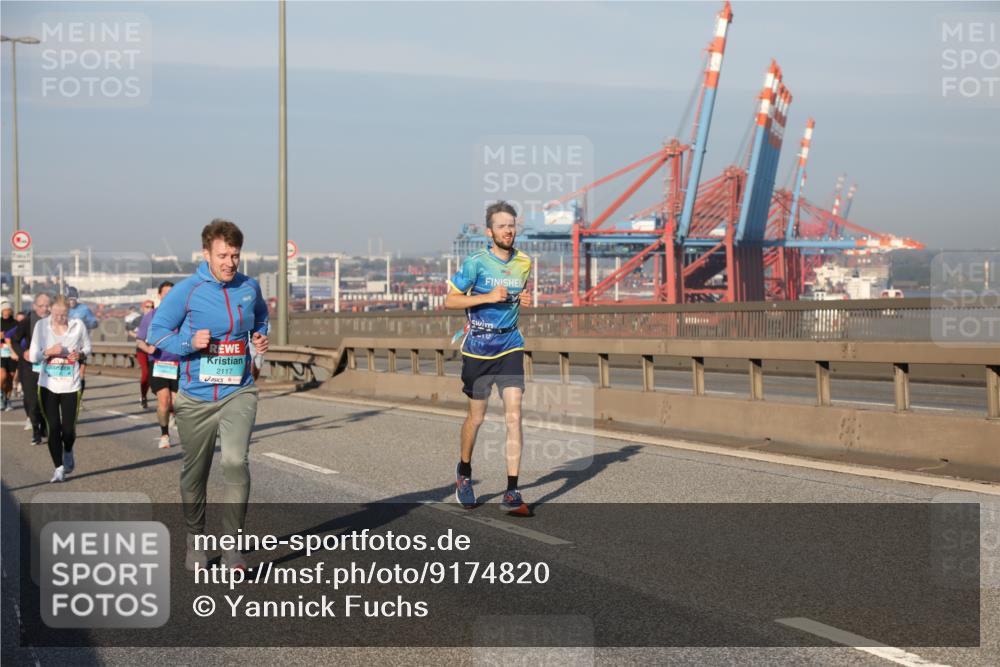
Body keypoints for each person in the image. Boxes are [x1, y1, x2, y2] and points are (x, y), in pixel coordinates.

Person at [148, 219, 268, 571]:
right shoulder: (188, 290)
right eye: (223, 255)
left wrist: (260, 337)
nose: (230, 262)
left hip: (238, 391)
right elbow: (158, 332)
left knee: (235, 462)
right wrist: (188, 343)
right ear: (206, 254)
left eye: (235, 255)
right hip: (196, 396)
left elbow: (260, 318)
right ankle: (195, 540)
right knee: (195, 473)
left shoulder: (250, 287)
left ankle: (232, 550)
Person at [445, 201, 533, 514]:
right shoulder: (476, 262)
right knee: (478, 417)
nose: (508, 230)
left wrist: (522, 298)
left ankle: (512, 490)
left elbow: (514, 295)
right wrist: (486, 297)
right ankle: (464, 473)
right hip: (477, 350)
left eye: (512, 225)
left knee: (514, 414)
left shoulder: (524, 262)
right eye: (501, 226)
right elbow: (450, 300)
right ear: (489, 231)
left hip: (510, 344)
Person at [29, 295, 92, 483]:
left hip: (71, 385)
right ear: (51, 311)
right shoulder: (41, 326)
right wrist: (48, 352)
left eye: (63, 314)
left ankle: (68, 449)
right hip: (48, 385)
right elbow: (33, 356)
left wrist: (79, 354)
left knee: (69, 430)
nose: (58, 317)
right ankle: (58, 468)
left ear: (68, 312)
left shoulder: (78, 325)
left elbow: (87, 347)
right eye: (55, 313)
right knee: (53, 427)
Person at [135, 285, 177, 448]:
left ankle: (174, 417)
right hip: (159, 363)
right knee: (164, 400)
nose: (169, 296)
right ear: (159, 296)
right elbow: (139, 340)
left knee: (178, 402)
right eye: (166, 294)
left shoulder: (183, 315)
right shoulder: (151, 315)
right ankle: (165, 434)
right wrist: (148, 348)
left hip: (178, 363)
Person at [10, 294, 52, 444]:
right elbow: (14, 340)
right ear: (34, 306)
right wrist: (23, 353)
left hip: (49, 365)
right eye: (41, 306)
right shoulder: (28, 321)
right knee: (32, 400)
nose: (44, 309)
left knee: (46, 400)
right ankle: (36, 430)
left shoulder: (55, 321)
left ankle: (44, 425)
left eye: (47, 305)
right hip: (29, 366)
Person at [134, 300, 155, 408]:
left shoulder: (155, 317)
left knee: (152, 374)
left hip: (153, 348)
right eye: (147, 307)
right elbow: (129, 331)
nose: (150, 309)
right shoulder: (138, 319)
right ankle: (143, 396)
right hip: (142, 349)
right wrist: (139, 336)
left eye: (152, 307)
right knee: (146, 373)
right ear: (143, 308)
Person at [1, 300, 17, 411]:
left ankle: (7, 399)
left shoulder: (16, 323)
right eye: (4, 310)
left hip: (12, 354)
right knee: (2, 376)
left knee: (10, 378)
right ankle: (1, 395)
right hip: (1, 354)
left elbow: (19, 337)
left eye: (8, 310)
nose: (6, 312)